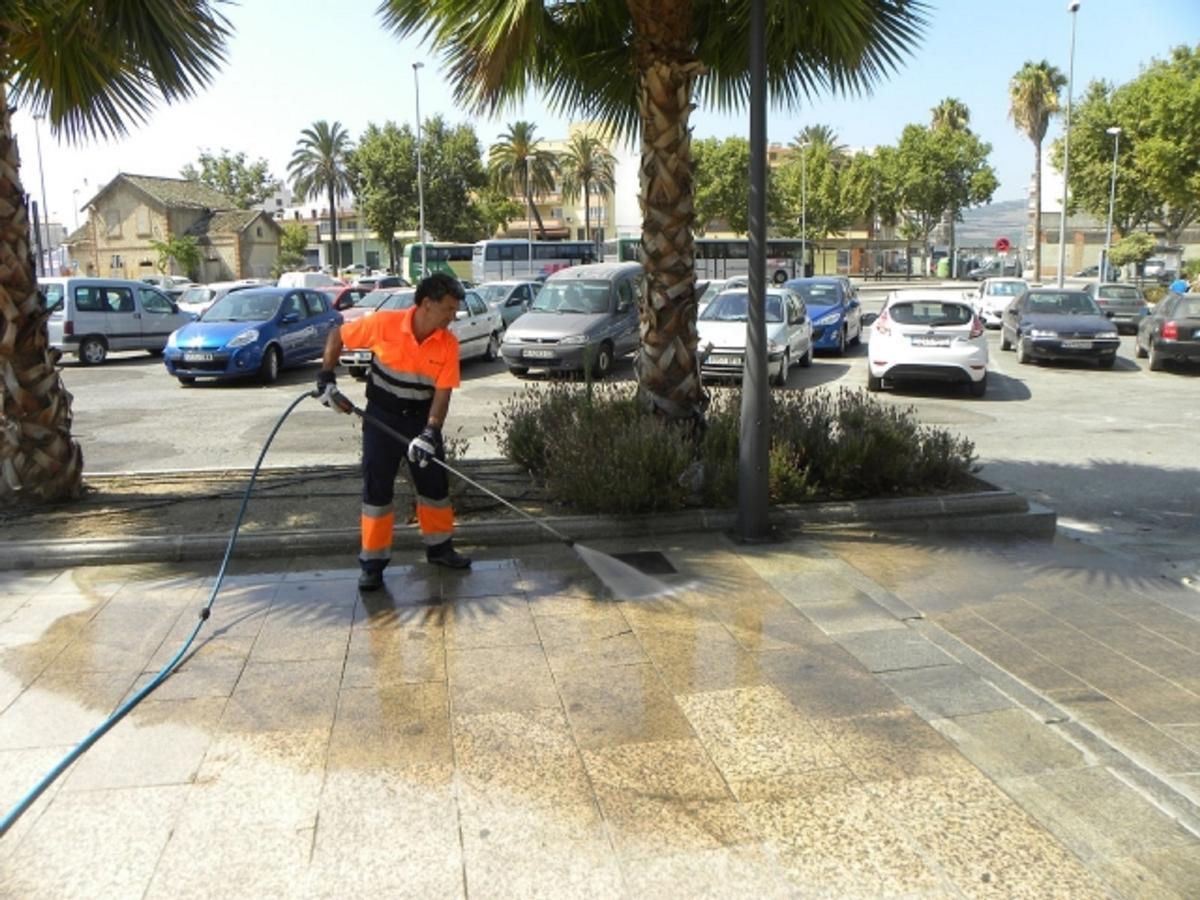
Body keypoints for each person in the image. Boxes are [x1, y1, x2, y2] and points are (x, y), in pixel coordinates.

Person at [316, 272, 471, 591]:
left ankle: (440, 549)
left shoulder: (448, 344)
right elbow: (338, 335)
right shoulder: (383, 324)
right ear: (427, 304)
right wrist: (326, 378)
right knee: (377, 491)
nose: (452, 317)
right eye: (448, 309)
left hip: (420, 419)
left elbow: (443, 393)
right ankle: (372, 564)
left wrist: (430, 433)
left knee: (435, 488)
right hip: (381, 420)